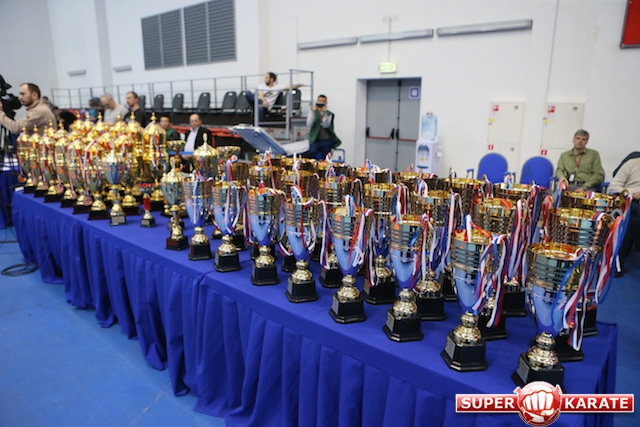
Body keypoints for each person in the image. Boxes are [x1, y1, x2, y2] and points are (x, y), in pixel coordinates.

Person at [608, 157, 640, 277]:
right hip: (630, 200)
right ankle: (618, 261)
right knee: (632, 213)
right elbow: (613, 186)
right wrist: (631, 195)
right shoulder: (632, 164)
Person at [305, 94, 341, 160]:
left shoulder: (330, 114)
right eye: (320, 101)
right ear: (317, 101)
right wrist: (313, 112)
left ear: (326, 103)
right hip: (315, 139)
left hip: (326, 140)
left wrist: (325, 114)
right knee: (311, 152)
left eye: (323, 101)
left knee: (326, 157)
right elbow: (309, 124)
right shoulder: (312, 112)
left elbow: (326, 125)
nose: (321, 103)